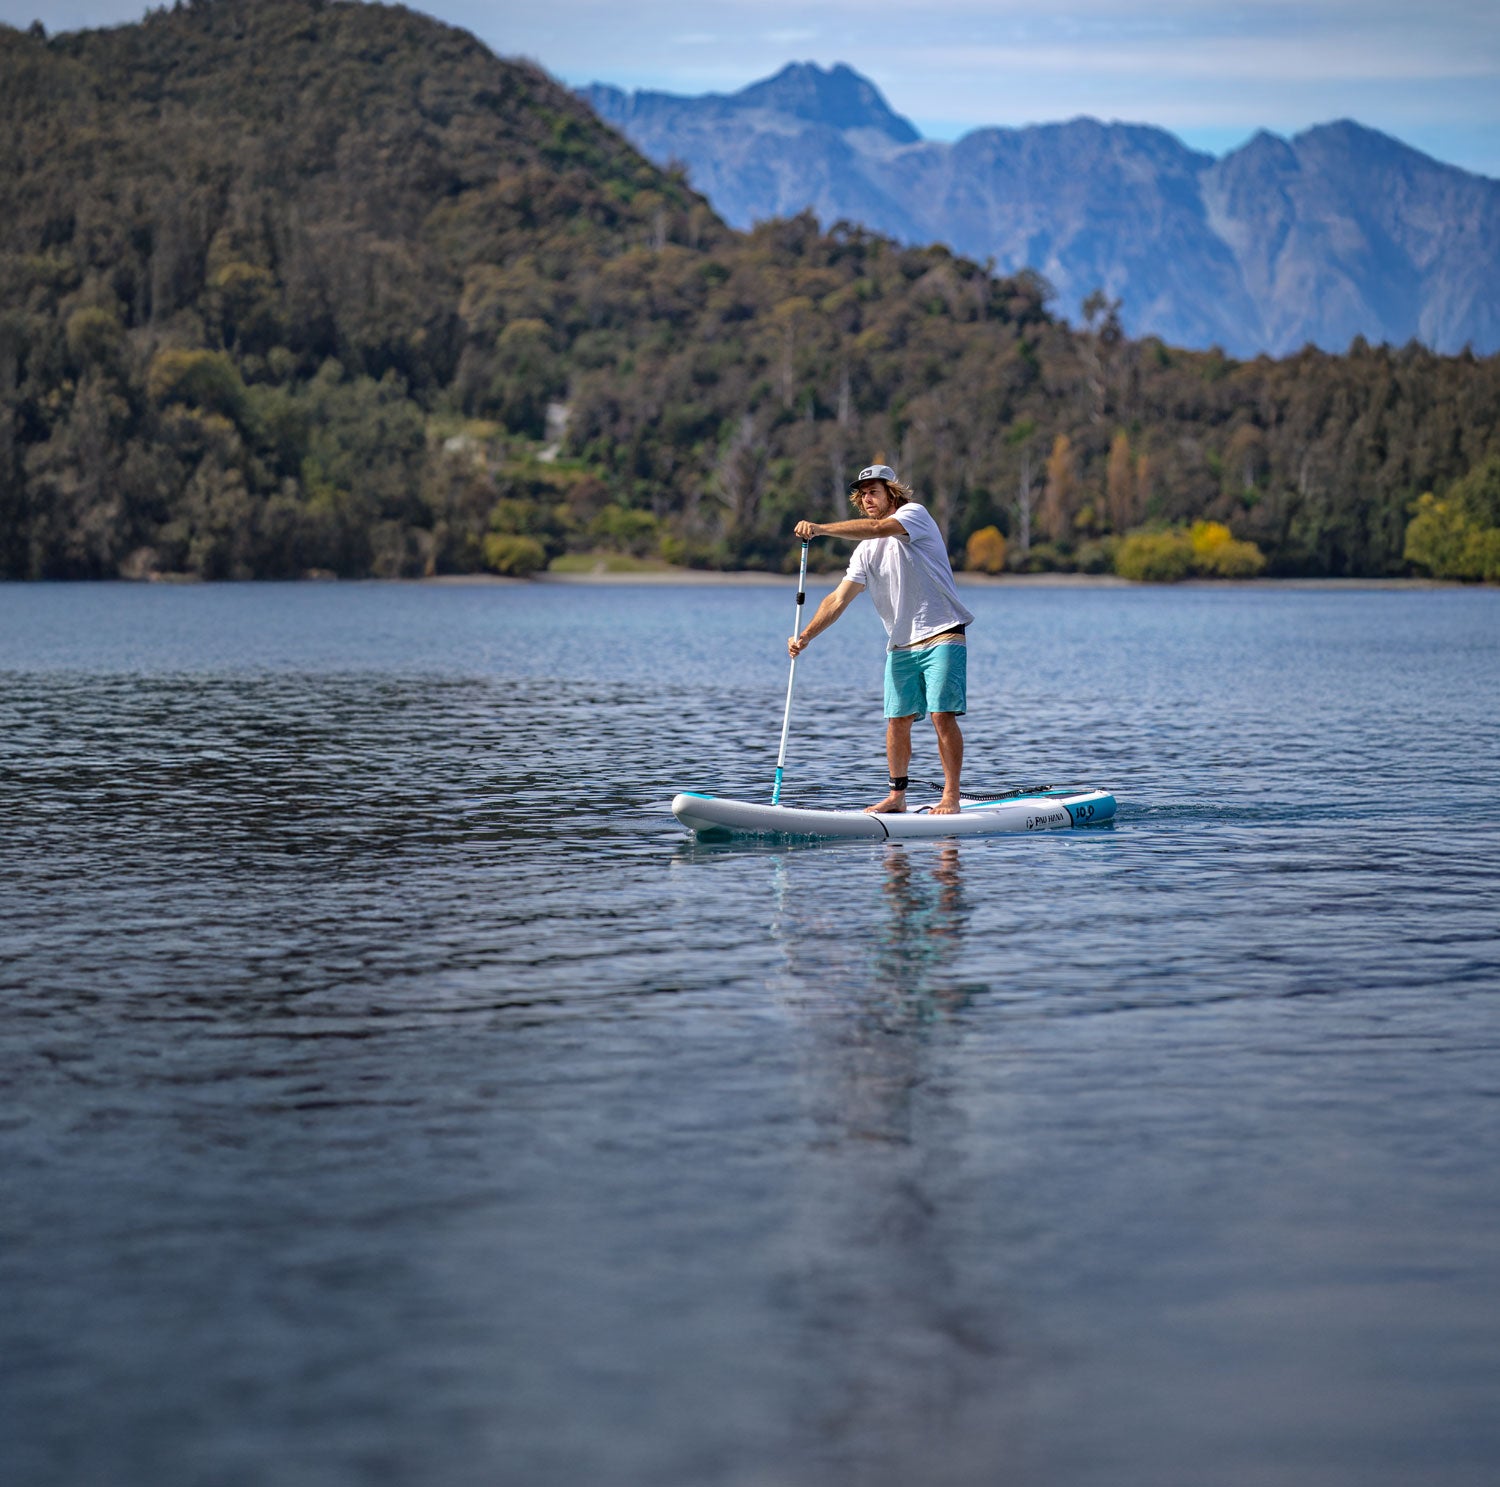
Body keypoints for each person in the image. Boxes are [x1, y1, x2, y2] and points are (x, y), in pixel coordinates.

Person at [790, 463, 974, 814]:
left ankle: (950, 796)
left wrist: (821, 529)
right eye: (862, 494)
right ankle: (897, 797)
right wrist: (806, 636)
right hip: (901, 643)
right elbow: (837, 599)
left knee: (940, 715)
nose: (867, 498)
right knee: (897, 719)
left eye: (874, 491)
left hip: (943, 632)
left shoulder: (914, 516)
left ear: (892, 492)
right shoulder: (864, 552)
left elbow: (877, 529)